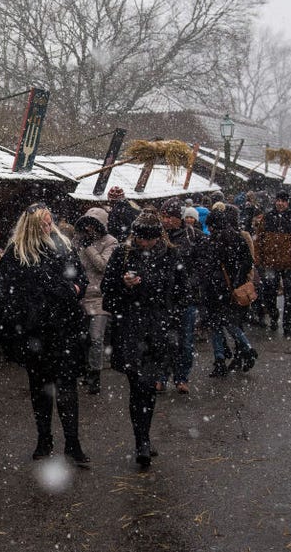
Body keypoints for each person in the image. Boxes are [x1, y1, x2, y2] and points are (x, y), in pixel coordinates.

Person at [0, 202, 90, 466]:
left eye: (50, 222)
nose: (48, 227)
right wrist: (23, 315)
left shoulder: (64, 246)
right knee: (40, 389)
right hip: (35, 333)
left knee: (67, 388)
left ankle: (72, 443)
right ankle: (44, 439)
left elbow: (81, 279)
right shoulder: (17, 254)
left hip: (65, 329)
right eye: (42, 223)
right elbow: (6, 292)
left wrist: (74, 290)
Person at [101, 212, 185, 468]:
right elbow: (107, 289)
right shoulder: (122, 254)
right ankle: (142, 441)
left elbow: (180, 291)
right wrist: (124, 285)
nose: (144, 244)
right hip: (130, 329)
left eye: (148, 240)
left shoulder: (171, 256)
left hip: (158, 329)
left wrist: (173, 321)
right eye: (140, 239)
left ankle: (144, 436)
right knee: (138, 385)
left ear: (158, 237)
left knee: (148, 387)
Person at [157, 197, 207, 394]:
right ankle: (161, 377)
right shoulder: (159, 238)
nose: (166, 220)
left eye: (170, 216)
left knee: (185, 341)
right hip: (164, 299)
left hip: (187, 298)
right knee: (163, 340)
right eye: (164, 216)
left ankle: (181, 378)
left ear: (179, 217)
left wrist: (187, 284)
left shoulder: (195, 237)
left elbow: (202, 267)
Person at [203, 208, 259, 376]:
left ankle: (221, 360)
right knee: (229, 323)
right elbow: (248, 261)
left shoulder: (213, 241)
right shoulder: (237, 238)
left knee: (218, 325)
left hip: (216, 290)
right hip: (232, 290)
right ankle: (245, 350)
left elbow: (209, 267)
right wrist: (237, 281)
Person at [74, 207, 118, 395]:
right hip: (81, 296)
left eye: (94, 225)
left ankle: (95, 375)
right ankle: (84, 369)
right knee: (82, 338)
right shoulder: (78, 241)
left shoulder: (111, 242)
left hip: (100, 297)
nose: (90, 230)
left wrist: (89, 247)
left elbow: (103, 266)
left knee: (96, 338)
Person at [255, 190, 291, 337]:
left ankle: (288, 326)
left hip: (290, 265)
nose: (280, 203)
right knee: (269, 294)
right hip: (271, 264)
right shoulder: (268, 218)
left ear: (287, 202)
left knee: (290, 297)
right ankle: (273, 315)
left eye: (283, 201)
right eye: (278, 200)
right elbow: (259, 240)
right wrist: (259, 260)